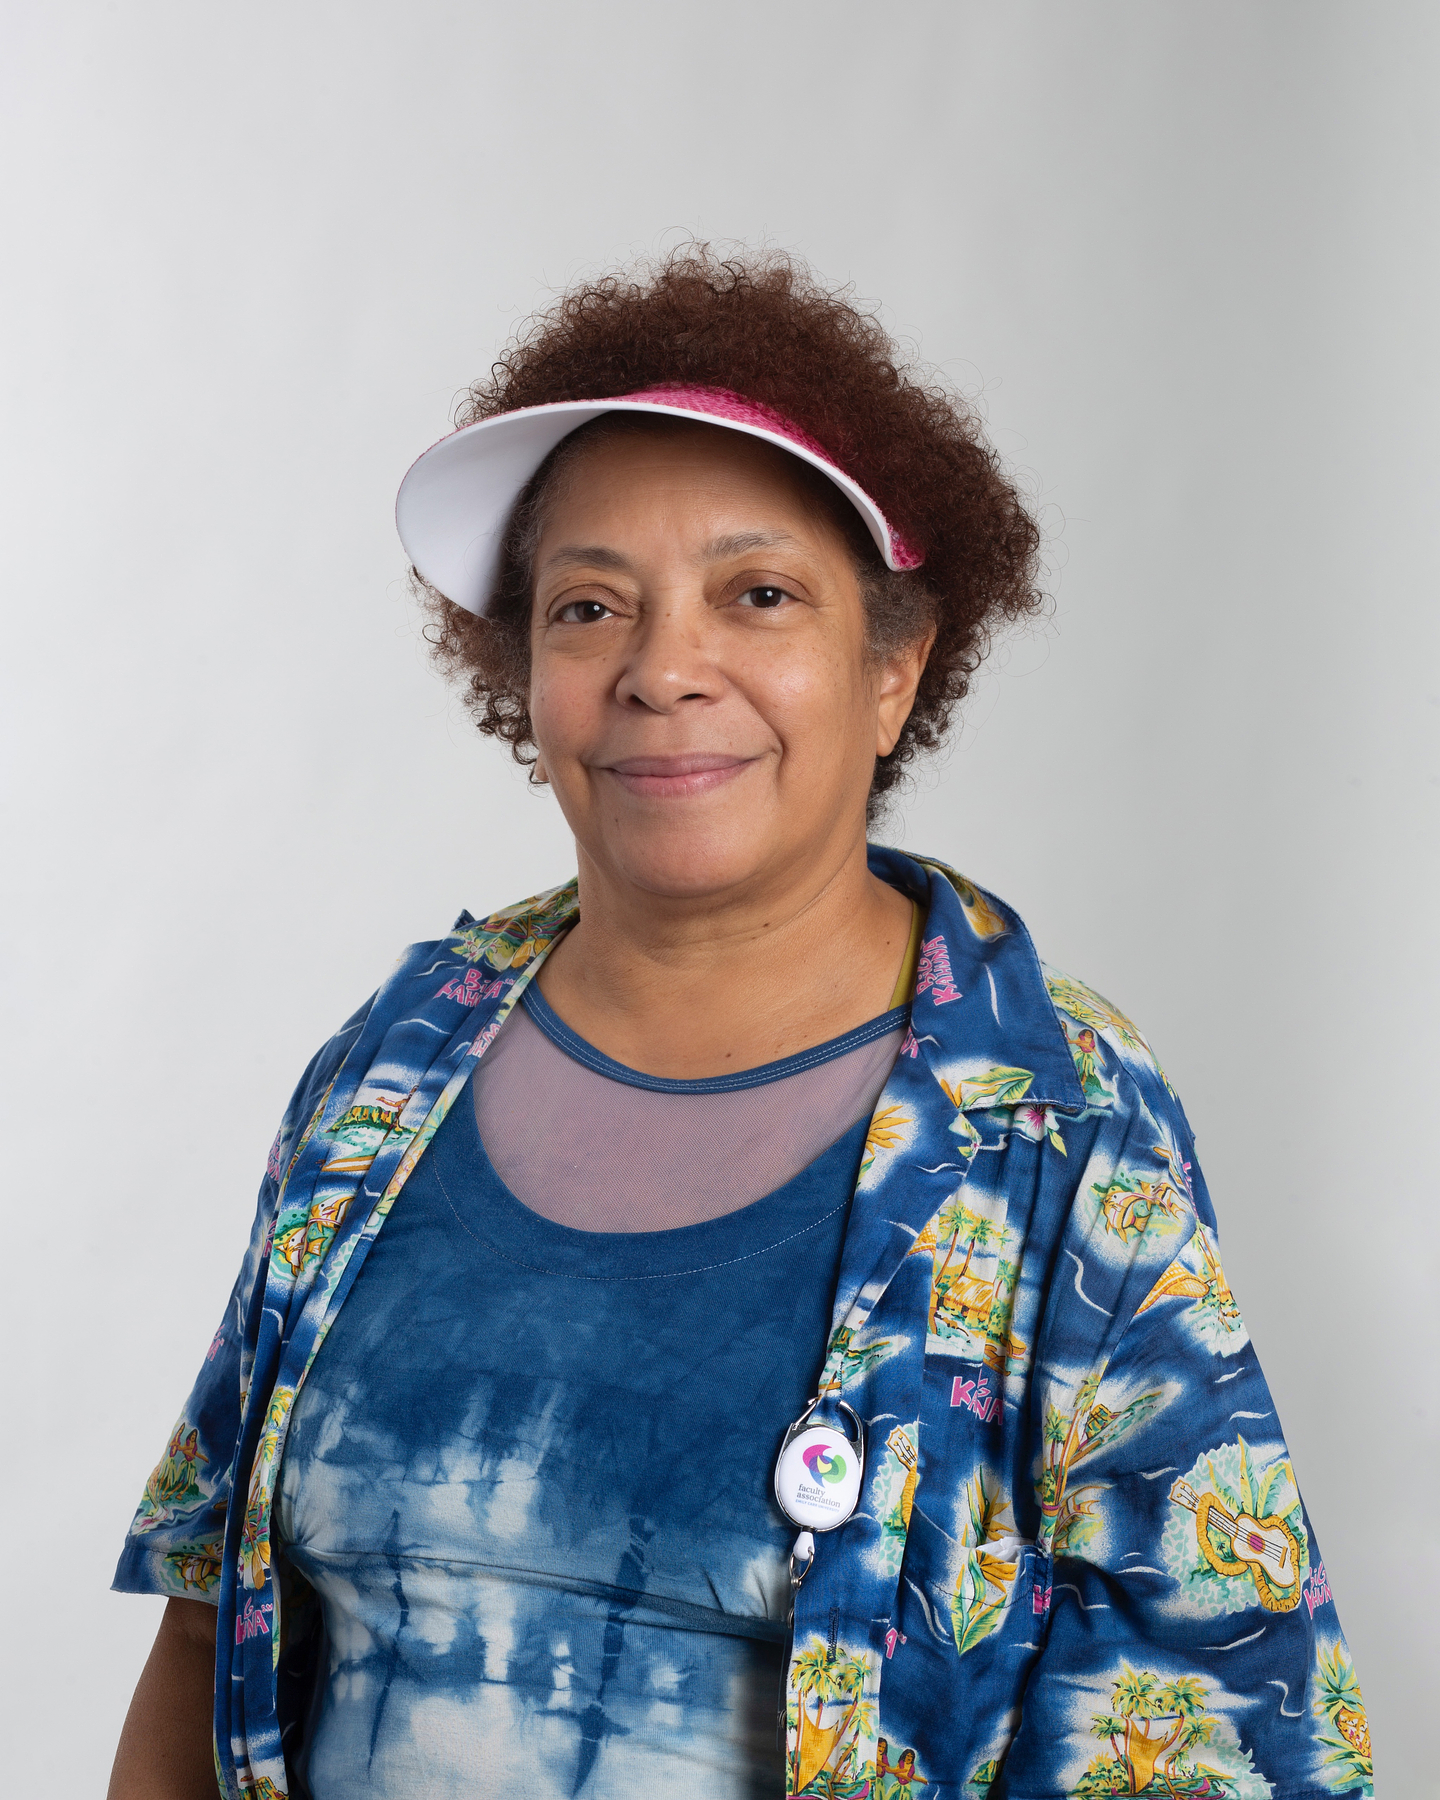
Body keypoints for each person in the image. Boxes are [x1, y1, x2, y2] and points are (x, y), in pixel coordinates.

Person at [108, 251, 1372, 1800]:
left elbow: (1225, 1744)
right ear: (526, 676)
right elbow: (199, 1636)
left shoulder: (1057, 1130)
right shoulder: (393, 1067)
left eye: (756, 595)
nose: (661, 671)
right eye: (590, 608)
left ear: (893, 667)